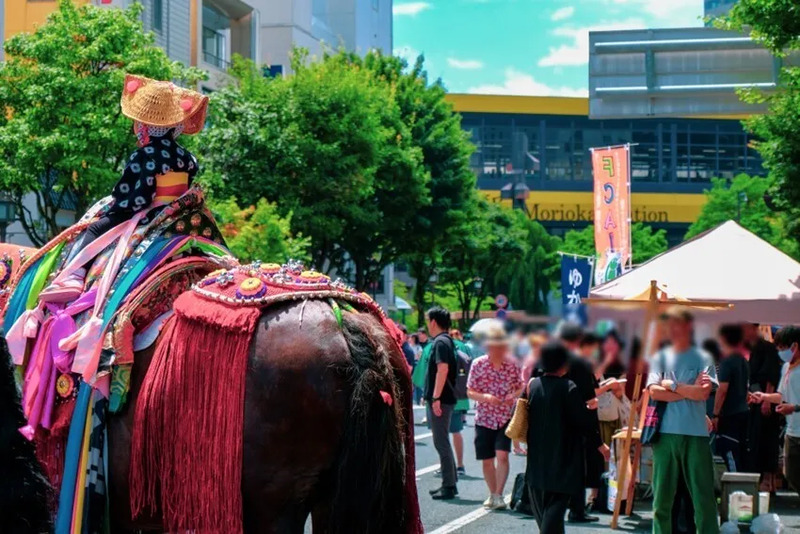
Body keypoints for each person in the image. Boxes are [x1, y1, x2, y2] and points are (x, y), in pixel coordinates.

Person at [39, 75, 207, 302]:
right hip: (182, 213)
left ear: (146, 126)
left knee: (95, 229)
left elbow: (138, 196)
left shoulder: (144, 155)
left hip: (152, 212)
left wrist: (116, 206)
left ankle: (75, 276)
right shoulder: (187, 156)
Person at [646, 307, 718, 534]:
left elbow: (703, 393)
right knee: (662, 498)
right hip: (665, 433)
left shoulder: (704, 357)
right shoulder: (659, 357)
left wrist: (673, 385)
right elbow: (654, 392)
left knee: (704, 497)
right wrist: (689, 391)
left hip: (696, 433)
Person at [526, 342, 606, 534]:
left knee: (543, 509)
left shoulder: (534, 385)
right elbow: (582, 422)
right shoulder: (568, 387)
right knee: (555, 509)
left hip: (537, 456)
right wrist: (591, 411)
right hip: (563, 456)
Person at [466, 325, 523, 510]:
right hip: (484, 418)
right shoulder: (478, 364)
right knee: (487, 459)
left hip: (505, 417)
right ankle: (492, 494)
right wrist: (485, 397)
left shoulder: (513, 364)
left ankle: (498, 494)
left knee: (502, 455)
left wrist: (512, 396)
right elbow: (470, 391)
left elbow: (521, 387)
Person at [556, 323, 606, 523]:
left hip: (554, 420)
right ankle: (576, 509)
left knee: (558, 466)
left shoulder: (553, 358)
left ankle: (550, 505)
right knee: (577, 468)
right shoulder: (580, 363)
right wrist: (597, 439)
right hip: (577, 422)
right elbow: (590, 399)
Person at [424, 306, 459, 500]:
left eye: (428, 320)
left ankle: (449, 485)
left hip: (442, 399)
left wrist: (436, 397)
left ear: (434, 322)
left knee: (441, 441)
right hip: (445, 398)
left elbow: (442, 369)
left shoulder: (440, 342)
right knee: (443, 440)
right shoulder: (446, 341)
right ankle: (451, 482)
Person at [742, 322, 782, 489]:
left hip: (767, 400)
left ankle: (768, 481)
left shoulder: (767, 348)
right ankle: (761, 481)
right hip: (755, 398)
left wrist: (766, 401)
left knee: (767, 441)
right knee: (756, 441)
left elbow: (772, 375)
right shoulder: (749, 349)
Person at [712, 324, 750, 472]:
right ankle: (743, 482)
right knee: (741, 452)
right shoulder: (743, 360)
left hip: (729, 414)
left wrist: (715, 414)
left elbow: (722, 389)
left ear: (723, 339)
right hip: (743, 411)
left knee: (730, 453)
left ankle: (735, 483)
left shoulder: (727, 362)